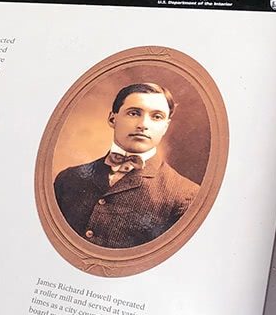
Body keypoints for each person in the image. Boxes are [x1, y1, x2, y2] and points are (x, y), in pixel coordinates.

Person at [53, 82, 199, 249]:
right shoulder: (68, 179)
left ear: (165, 126)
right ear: (112, 119)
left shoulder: (186, 195)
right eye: (134, 113)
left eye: (156, 117)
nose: (143, 124)